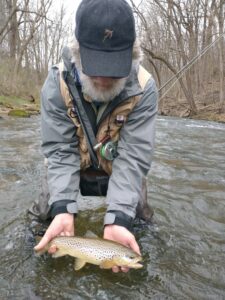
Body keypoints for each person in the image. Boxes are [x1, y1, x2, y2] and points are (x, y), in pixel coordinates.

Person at [30, 0, 158, 273]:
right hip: (72, 160)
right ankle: (36, 243)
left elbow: (134, 158)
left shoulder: (145, 88)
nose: (102, 77)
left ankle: (134, 233)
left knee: (139, 219)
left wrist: (119, 219)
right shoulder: (57, 83)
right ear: (77, 52)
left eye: (113, 67)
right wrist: (63, 206)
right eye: (95, 65)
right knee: (44, 213)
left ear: (132, 55)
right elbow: (59, 151)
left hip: (118, 164)